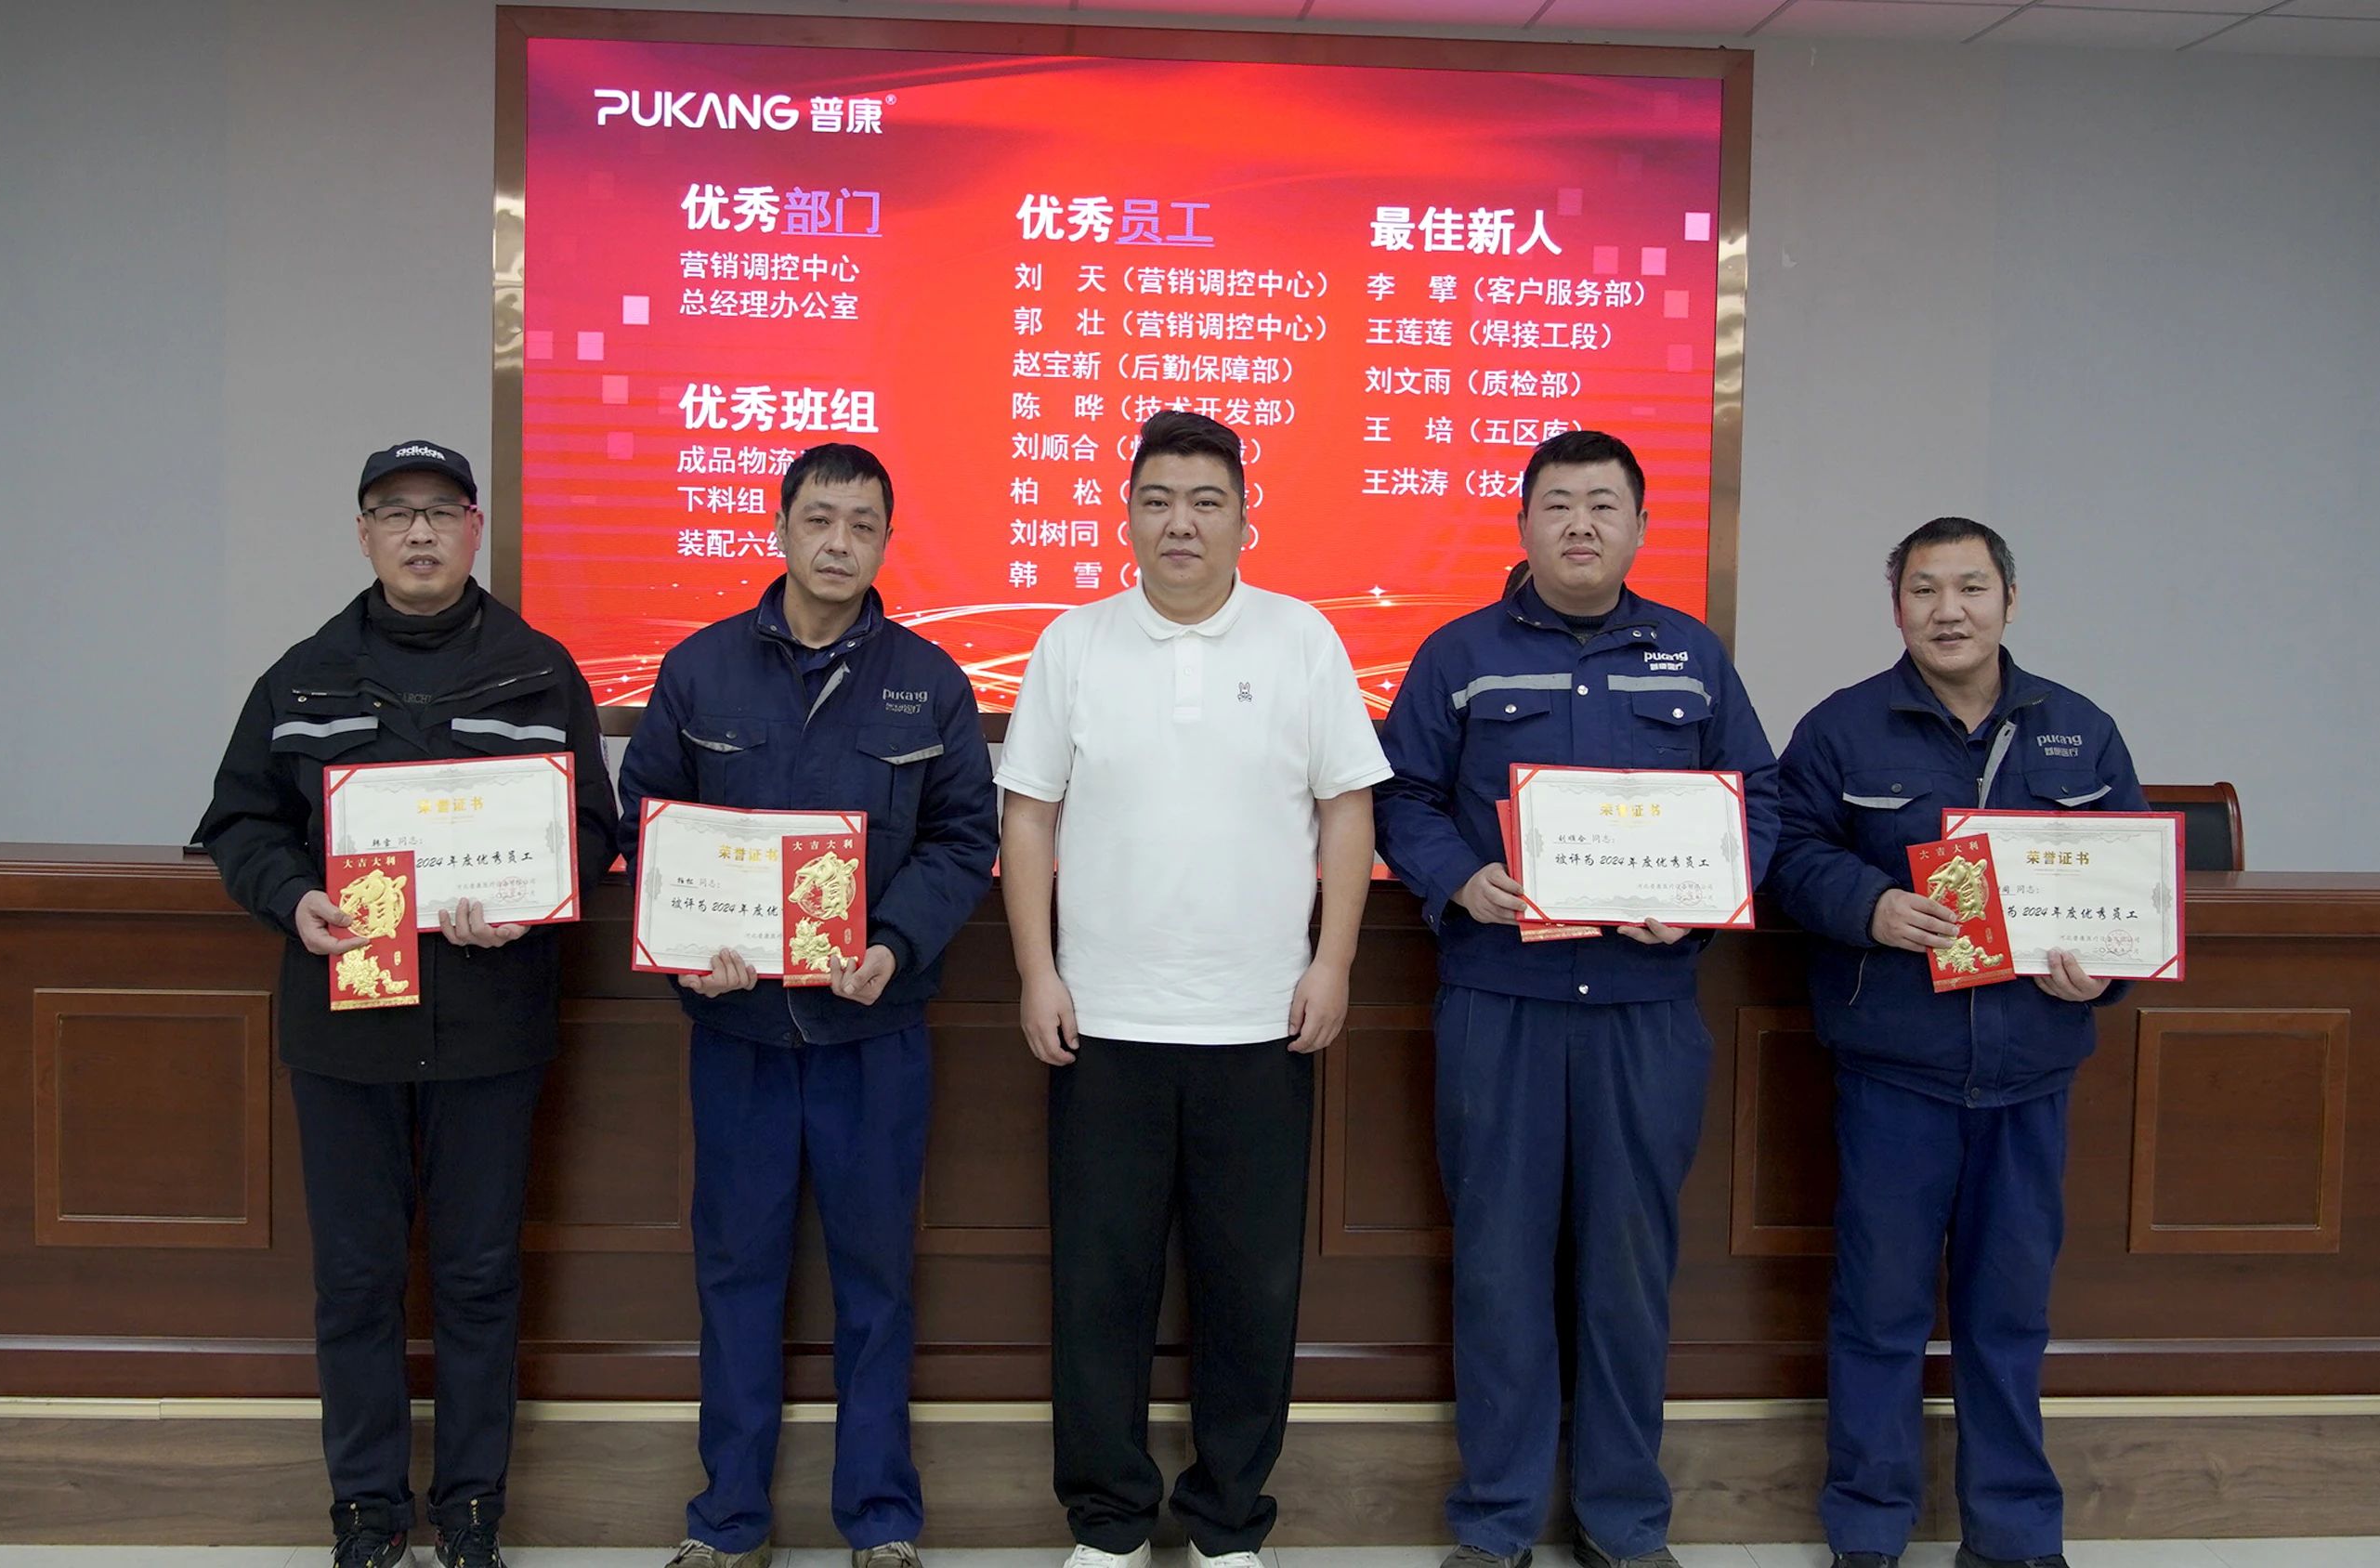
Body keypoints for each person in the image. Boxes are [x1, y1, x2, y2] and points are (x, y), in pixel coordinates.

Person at [199, 439, 615, 1568]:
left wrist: (536, 899)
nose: (419, 531)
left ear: (475, 527)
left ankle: (473, 1508)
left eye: (440, 510)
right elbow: (239, 821)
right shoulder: (301, 677)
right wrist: (292, 896)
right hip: (347, 1021)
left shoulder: (538, 668)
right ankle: (367, 1510)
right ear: (364, 534)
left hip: (491, 1021)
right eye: (394, 512)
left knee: (479, 1275)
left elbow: (591, 824)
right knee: (355, 1279)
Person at [1374, 429, 1780, 1568]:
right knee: (1498, 1266)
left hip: (1643, 1008)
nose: (1580, 524)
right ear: (1522, 525)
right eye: (1557, 504)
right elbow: (1399, 796)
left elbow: (1757, 800)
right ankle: (1496, 1520)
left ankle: (1622, 1519)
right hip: (1499, 998)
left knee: (1627, 1269)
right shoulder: (1458, 653)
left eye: (1603, 504)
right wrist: (1460, 877)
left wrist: (1700, 899)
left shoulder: (1693, 656)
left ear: (1641, 526)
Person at [998, 409, 1391, 1568]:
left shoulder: (1301, 638)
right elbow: (1028, 815)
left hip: (1260, 1020)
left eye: (1205, 500)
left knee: (1251, 1288)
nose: (1181, 522)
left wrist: (1333, 959)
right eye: (1158, 499)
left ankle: (1227, 1522)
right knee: (1098, 1286)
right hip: (1101, 1021)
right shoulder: (1072, 642)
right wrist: (1037, 969)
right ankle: (1108, 1522)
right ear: (1124, 516)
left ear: (1243, 519)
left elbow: (1346, 807)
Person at [617, 442, 998, 1568]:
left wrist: (893, 940)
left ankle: (880, 1520)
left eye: (862, 524)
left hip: (870, 1029)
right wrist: (687, 950)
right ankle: (726, 1520)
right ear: (779, 527)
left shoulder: (929, 680)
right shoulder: (699, 670)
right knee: (736, 1271)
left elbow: (961, 837)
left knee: (876, 1277)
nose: (838, 543)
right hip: (736, 1033)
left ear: (885, 541)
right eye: (819, 519)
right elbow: (647, 821)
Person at [1764, 517, 2144, 1568]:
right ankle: (1867, 1531)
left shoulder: (2078, 730)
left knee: (2008, 1317)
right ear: (1896, 608)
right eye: (1924, 590)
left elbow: (2130, 883)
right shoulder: (1841, 728)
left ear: (2009, 600)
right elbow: (1785, 852)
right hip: (1896, 1070)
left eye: (1970, 587)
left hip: (2030, 1071)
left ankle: (2014, 1535)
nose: (1948, 610)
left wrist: (2106, 971)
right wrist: (1870, 904)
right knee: (1878, 1311)